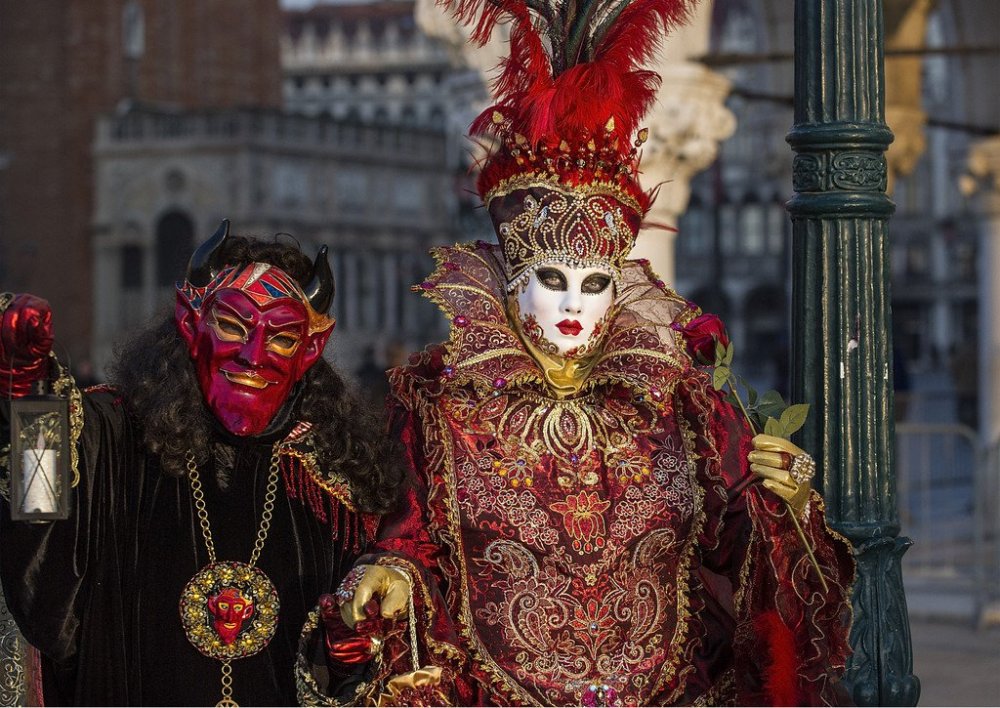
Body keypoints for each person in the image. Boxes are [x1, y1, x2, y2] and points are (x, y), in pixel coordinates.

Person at [303, 0, 856, 705]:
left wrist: (788, 501)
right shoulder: (440, 405)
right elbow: (414, 541)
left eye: (594, 284)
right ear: (508, 285)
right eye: (551, 281)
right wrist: (386, 572)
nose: (572, 306)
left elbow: (733, 550)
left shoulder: (684, 404)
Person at [0, 222, 401, 705]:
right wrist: (29, 396)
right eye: (232, 326)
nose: (254, 356)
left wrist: (345, 662)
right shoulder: (118, 438)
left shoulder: (337, 481)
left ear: (309, 351)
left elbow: (367, 662)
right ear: (191, 324)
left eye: (282, 338)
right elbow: (37, 527)